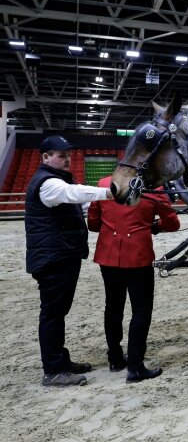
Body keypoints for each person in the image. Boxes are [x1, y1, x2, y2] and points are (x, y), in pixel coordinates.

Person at [25, 135, 113, 387]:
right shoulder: (49, 183)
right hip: (54, 257)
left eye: (68, 155)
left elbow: (76, 196)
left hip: (60, 255)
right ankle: (52, 370)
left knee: (57, 312)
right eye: (61, 155)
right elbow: (73, 193)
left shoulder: (55, 180)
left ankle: (60, 360)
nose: (67, 159)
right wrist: (110, 192)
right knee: (52, 313)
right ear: (45, 157)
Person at [87, 176, 180, 383]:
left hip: (108, 256)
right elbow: (173, 223)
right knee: (141, 310)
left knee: (113, 307)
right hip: (138, 256)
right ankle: (136, 366)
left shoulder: (103, 184)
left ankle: (115, 359)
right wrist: (154, 225)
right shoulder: (153, 187)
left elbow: (93, 224)